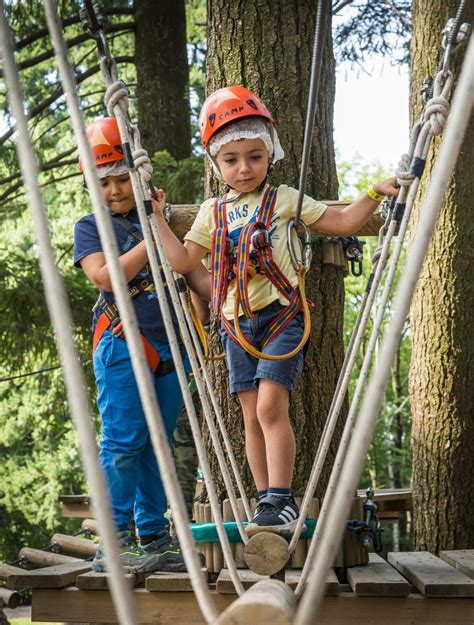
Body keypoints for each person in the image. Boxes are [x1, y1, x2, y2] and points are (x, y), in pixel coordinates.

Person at [151, 86, 399, 536]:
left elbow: (343, 222)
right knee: (250, 415)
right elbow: (184, 262)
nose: (244, 168)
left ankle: (281, 497)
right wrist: (155, 219)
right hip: (234, 325)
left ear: (270, 155)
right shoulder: (213, 211)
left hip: (281, 316)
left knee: (270, 407)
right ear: (216, 163)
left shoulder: (285, 198)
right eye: (231, 160)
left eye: (254, 156)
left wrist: (374, 193)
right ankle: (267, 504)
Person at [73, 117, 210, 572]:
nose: (114, 190)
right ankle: (114, 540)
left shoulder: (161, 218)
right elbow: (106, 276)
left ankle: (153, 535)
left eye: (122, 179)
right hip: (122, 342)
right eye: (104, 181)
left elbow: (190, 269)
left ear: (138, 177)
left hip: (170, 345)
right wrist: (151, 237)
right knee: (124, 442)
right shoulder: (90, 227)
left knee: (159, 445)